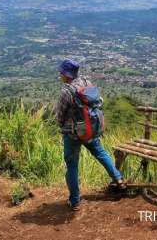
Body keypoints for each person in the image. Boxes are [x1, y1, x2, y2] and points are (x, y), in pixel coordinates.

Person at [54, 59, 126, 211]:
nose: (60, 74)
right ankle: (119, 179)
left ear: (66, 75)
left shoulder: (66, 91)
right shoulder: (86, 82)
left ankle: (75, 201)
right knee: (101, 153)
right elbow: (98, 101)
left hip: (73, 134)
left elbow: (60, 116)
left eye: (61, 72)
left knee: (72, 165)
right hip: (91, 129)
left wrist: (63, 126)